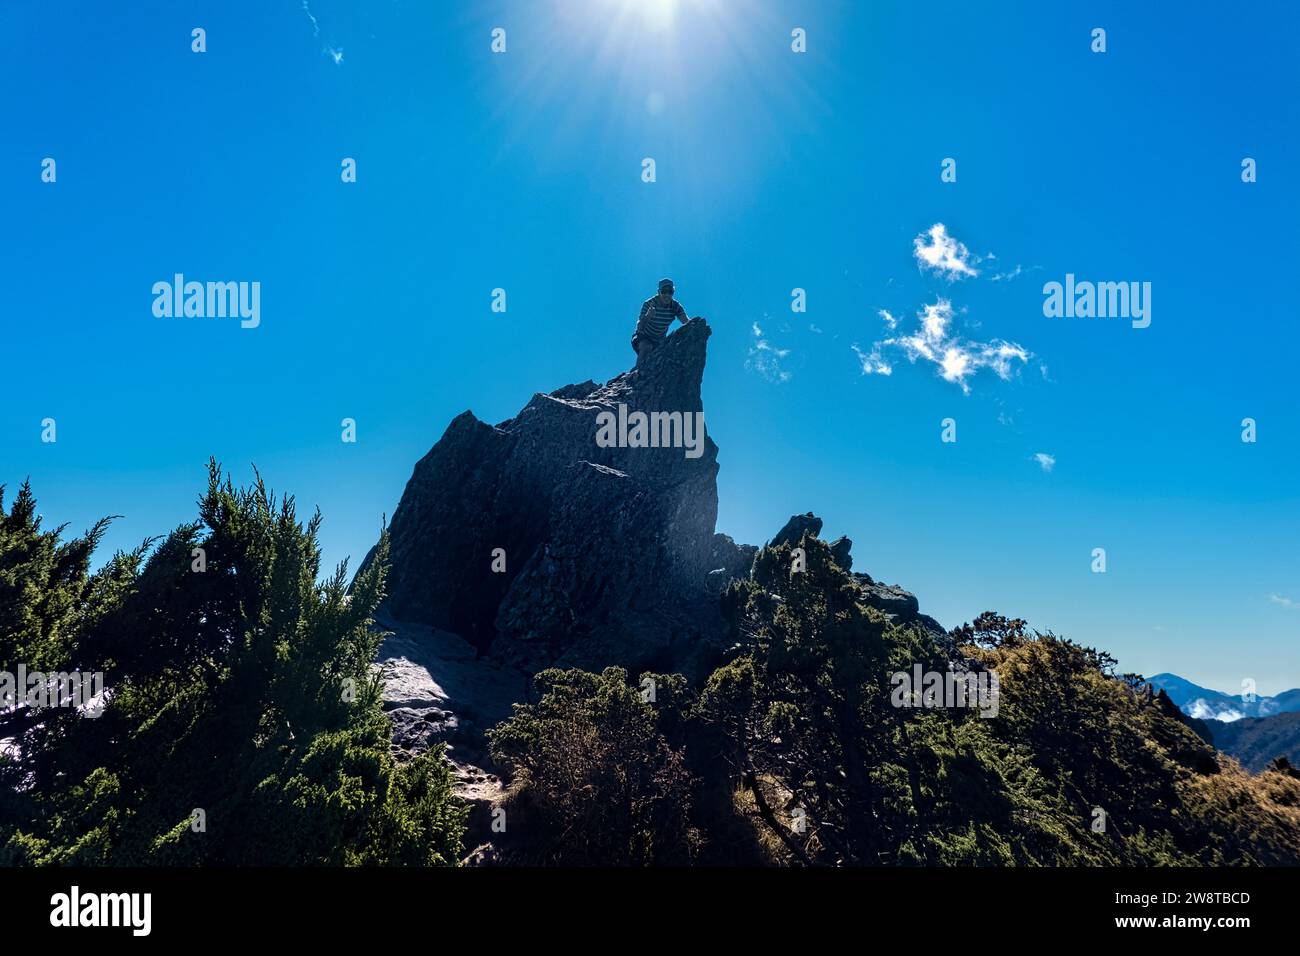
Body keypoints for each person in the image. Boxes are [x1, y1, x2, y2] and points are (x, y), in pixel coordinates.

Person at [632, 278, 689, 366]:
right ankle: (637, 373)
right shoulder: (649, 303)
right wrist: (648, 316)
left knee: (665, 359)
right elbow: (640, 327)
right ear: (659, 292)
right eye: (664, 291)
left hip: (659, 341)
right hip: (642, 337)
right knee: (647, 347)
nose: (667, 294)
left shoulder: (675, 306)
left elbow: (686, 321)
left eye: (670, 291)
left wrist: (696, 326)